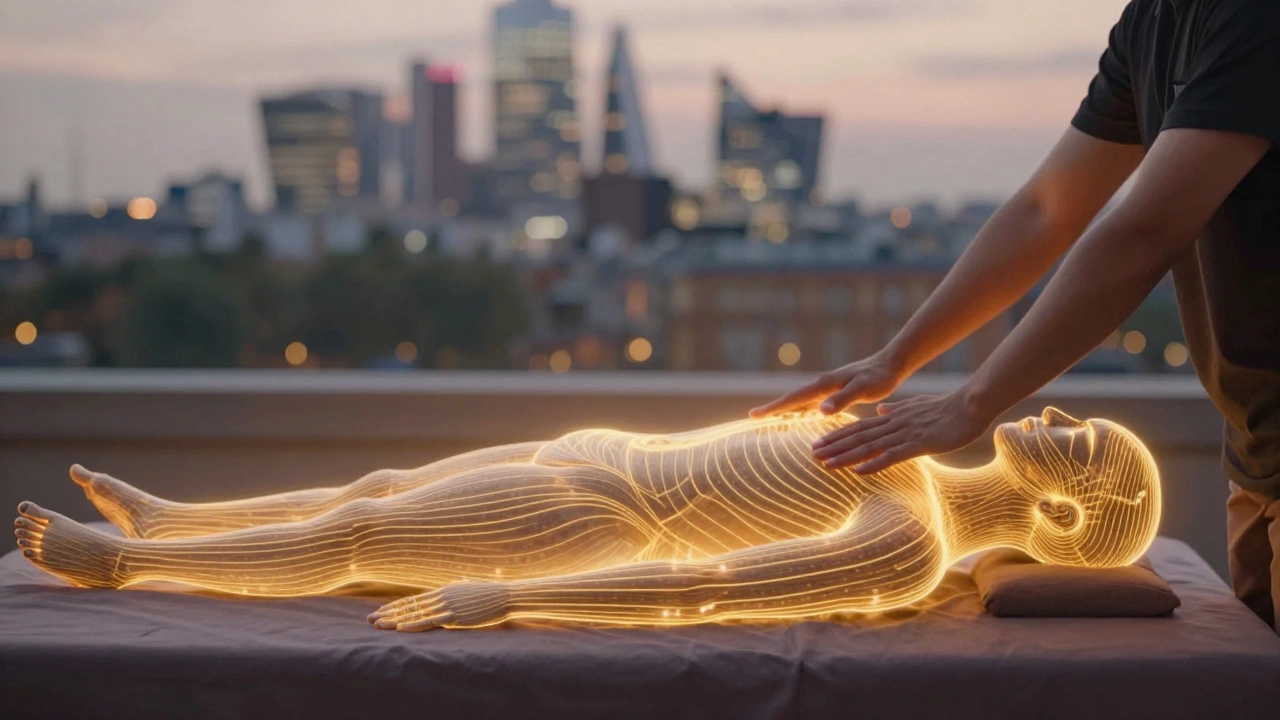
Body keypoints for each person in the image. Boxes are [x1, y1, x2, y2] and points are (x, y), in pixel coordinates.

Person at [753, 0, 1280, 629]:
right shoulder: (1153, 20)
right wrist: (895, 359)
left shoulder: (1256, 17)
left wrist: (973, 403)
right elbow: (1045, 211)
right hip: (1255, 448)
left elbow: (1144, 232)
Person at [13, 408, 1159, 632]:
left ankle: (125, 567)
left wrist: (512, 596)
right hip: (598, 453)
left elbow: (706, 591)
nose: (1059, 416)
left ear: (1060, 509)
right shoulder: (898, 444)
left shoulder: (904, 547)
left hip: (594, 514)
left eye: (1079, 443)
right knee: (378, 486)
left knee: (356, 543)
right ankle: (175, 519)